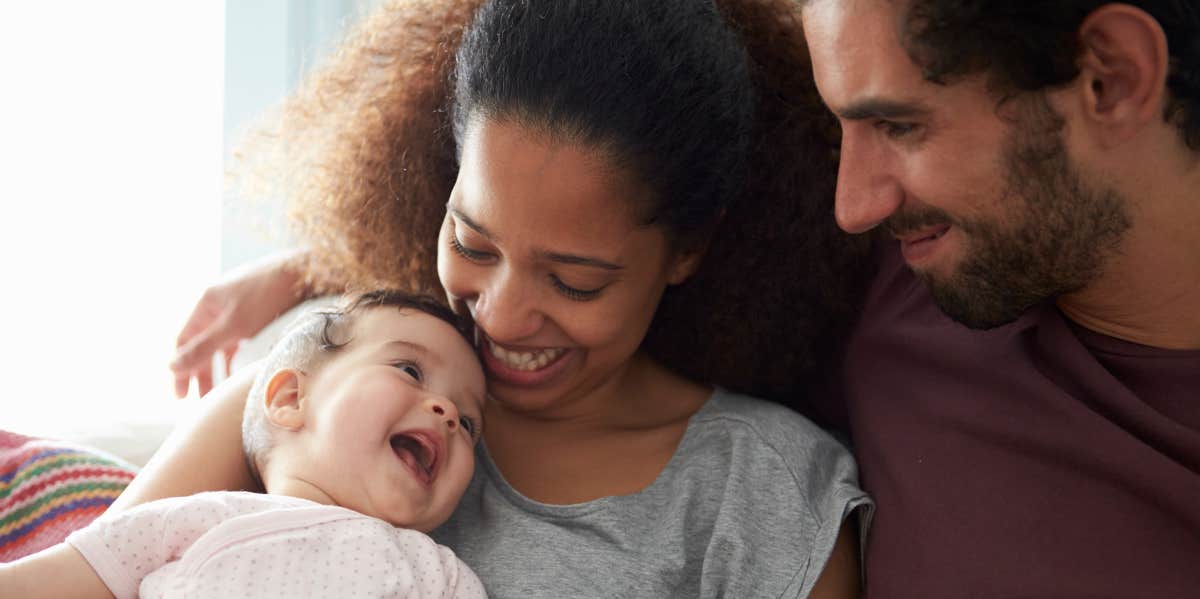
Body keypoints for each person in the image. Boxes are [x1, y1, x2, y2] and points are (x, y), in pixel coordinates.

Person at [123, 1, 874, 598]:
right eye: (474, 243)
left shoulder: (765, 497)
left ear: (686, 250)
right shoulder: (331, 384)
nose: (500, 317)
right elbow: (91, 570)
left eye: (574, 281)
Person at [797, 0, 1200, 597]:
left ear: (1111, 79)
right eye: (842, 130)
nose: (853, 208)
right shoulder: (871, 289)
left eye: (899, 126)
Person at [0, 290, 488, 598]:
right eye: (410, 370)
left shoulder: (439, 574)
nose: (447, 414)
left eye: (469, 423)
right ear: (292, 397)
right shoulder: (196, 517)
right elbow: (66, 578)